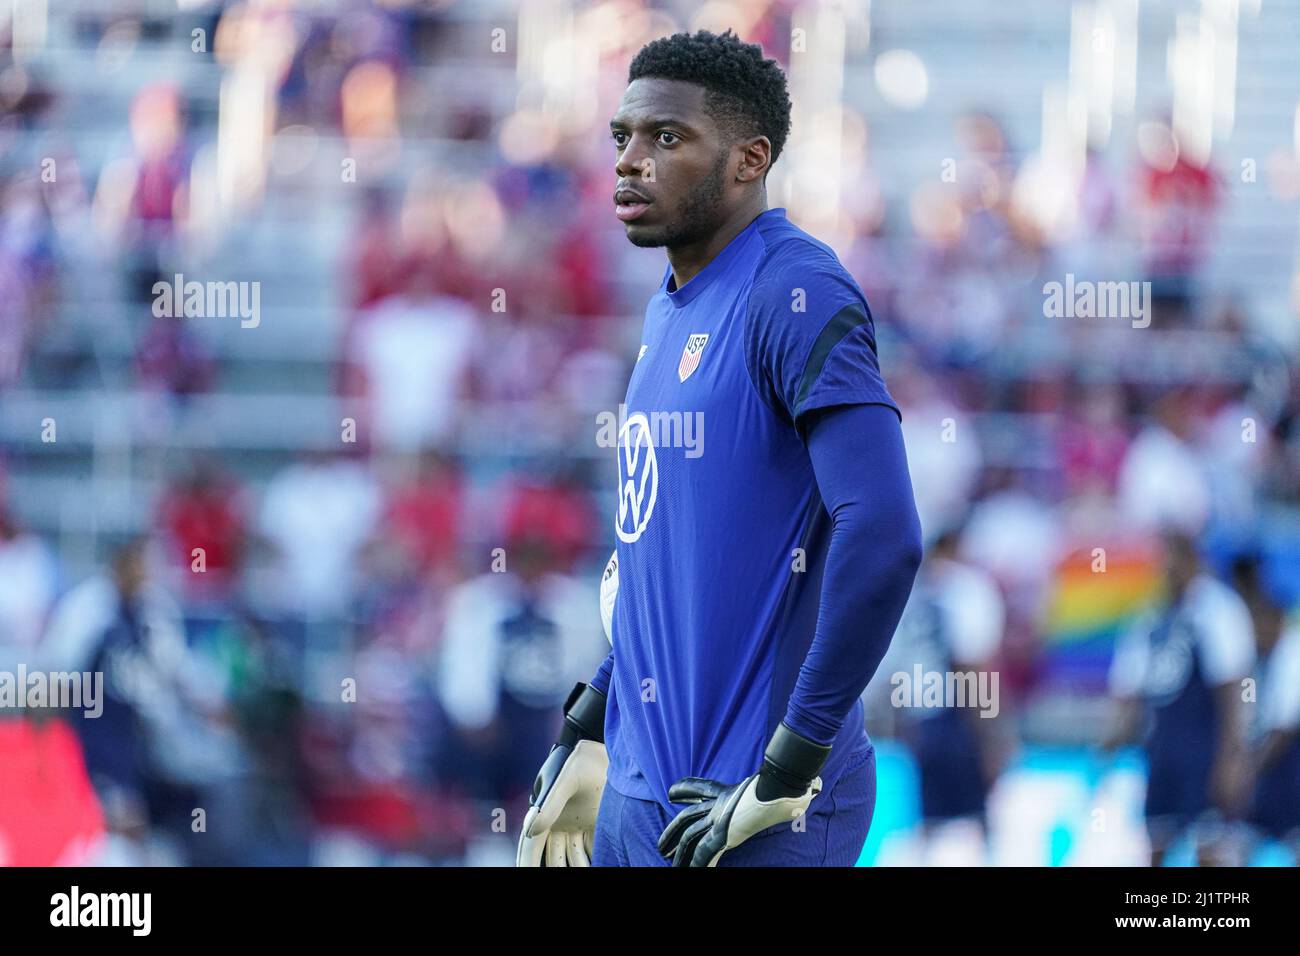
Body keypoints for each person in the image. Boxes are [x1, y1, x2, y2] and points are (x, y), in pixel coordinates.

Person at [518, 30, 922, 867]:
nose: (631, 160)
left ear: (749, 159)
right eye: (622, 137)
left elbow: (883, 534)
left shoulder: (795, 290)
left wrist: (791, 766)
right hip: (641, 792)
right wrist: (594, 722)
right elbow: (658, 555)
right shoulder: (666, 309)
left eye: (667, 138)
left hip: (749, 812)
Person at [1102, 530, 1254, 866]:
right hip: (1161, 749)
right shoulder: (1150, 617)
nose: (1167, 568)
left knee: (1210, 847)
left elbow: (1233, 690)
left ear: (1191, 560)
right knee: (1157, 842)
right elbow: (1130, 690)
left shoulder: (1218, 610)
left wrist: (1232, 757)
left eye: (1173, 559)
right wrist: (1111, 739)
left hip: (1205, 748)